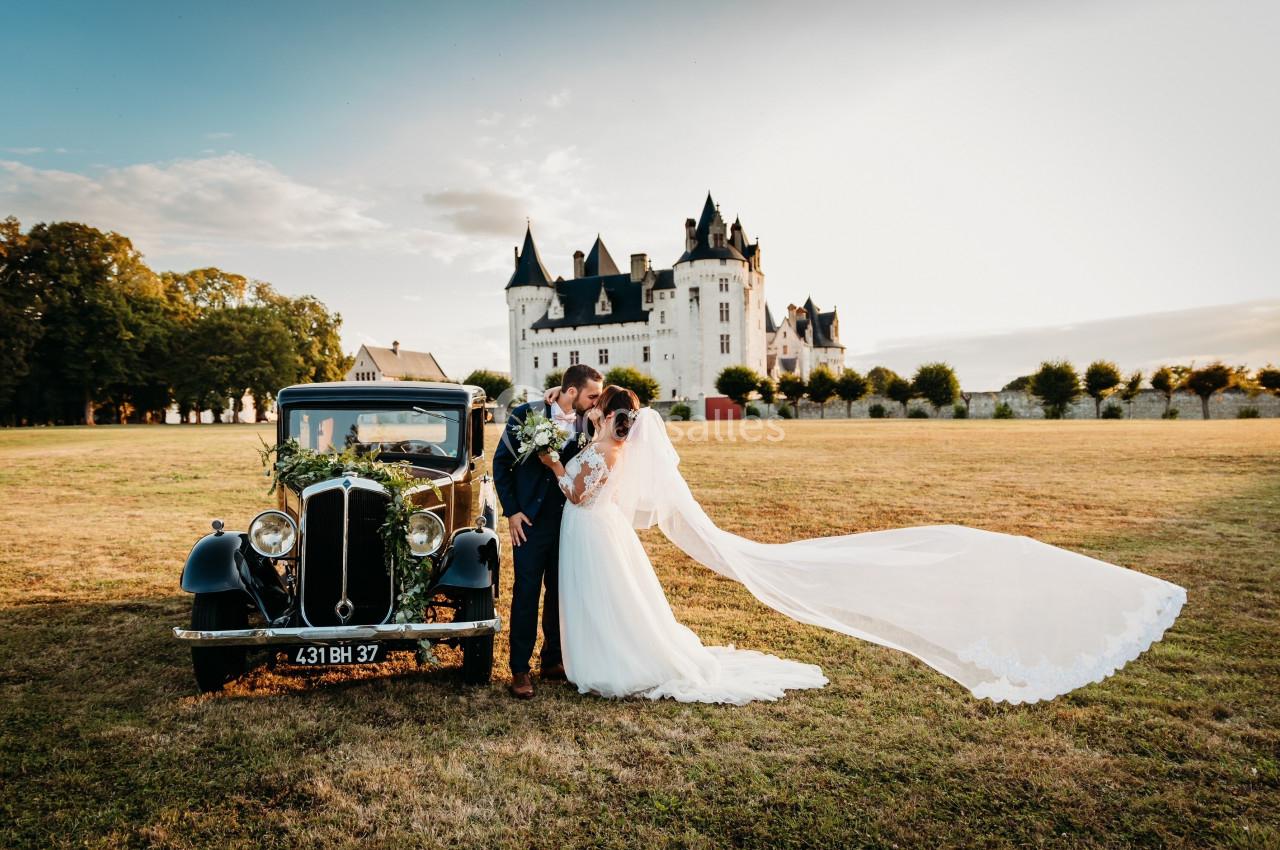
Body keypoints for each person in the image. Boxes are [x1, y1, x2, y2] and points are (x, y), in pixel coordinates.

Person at [539, 386, 1186, 705]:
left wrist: (548, 461)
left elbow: (578, 493)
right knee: (613, 603)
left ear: (612, 417)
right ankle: (598, 658)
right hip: (600, 537)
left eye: (598, 407)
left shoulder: (605, 449)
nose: (591, 411)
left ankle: (612, 664)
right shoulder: (613, 445)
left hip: (593, 531)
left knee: (613, 604)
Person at [491, 364, 603, 699]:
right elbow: (501, 463)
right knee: (526, 593)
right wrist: (512, 511)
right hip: (529, 523)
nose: (596, 401)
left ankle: (552, 659)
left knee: (559, 591)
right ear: (572, 392)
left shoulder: (589, 422)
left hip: (568, 521)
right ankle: (520, 669)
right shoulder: (527, 414)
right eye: (591, 395)